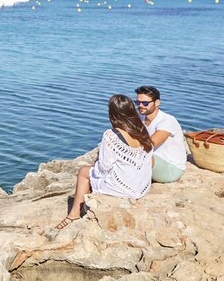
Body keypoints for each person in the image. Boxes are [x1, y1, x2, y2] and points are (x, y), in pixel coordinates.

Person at [56, 94, 153, 230]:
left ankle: (74, 214)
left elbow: (103, 168)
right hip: (142, 187)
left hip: (124, 188)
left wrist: (94, 166)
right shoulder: (142, 130)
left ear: (112, 114)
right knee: (95, 171)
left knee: (84, 172)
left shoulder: (111, 135)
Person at [135, 85, 186, 183]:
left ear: (157, 102)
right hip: (152, 160)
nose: (140, 105)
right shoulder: (140, 118)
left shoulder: (167, 121)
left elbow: (149, 144)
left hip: (171, 168)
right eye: (137, 102)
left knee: (140, 157)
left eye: (145, 103)